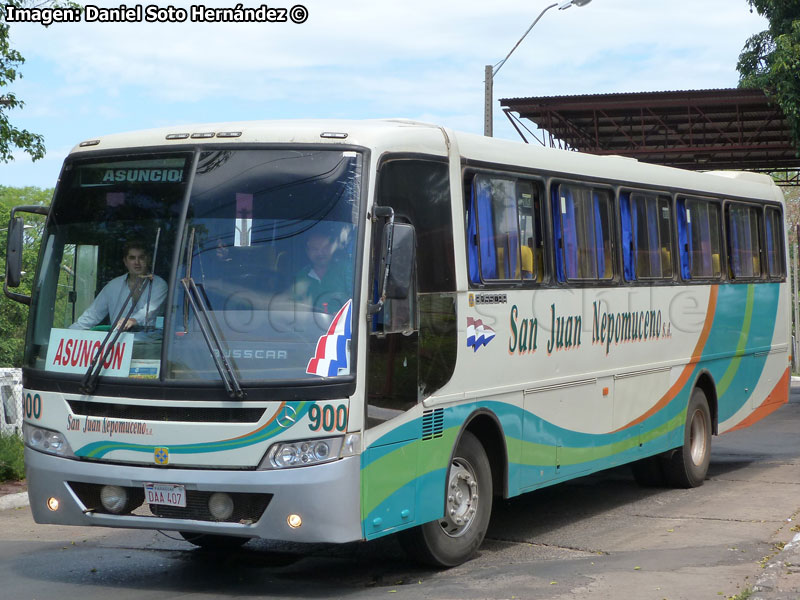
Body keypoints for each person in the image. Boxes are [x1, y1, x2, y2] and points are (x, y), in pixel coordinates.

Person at [70, 241, 167, 331]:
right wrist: (65, 334)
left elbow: (149, 311)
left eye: (141, 257)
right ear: (125, 261)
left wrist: (132, 320)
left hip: (149, 345)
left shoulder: (159, 285)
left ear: (148, 260)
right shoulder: (113, 286)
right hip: (118, 344)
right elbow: (92, 315)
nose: (137, 262)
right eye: (132, 258)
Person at [292, 230, 352, 313]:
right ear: (307, 251)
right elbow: (295, 306)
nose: (320, 253)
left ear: (332, 248)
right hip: (308, 324)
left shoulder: (346, 270)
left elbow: (357, 302)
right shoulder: (301, 276)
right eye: (314, 249)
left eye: (325, 247)